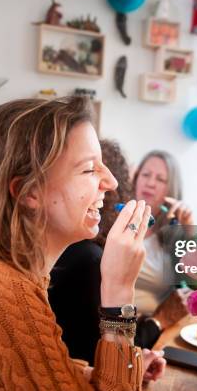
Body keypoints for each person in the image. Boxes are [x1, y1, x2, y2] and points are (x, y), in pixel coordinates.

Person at [0, 97, 166, 390]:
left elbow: (43, 367)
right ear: (29, 192)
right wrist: (119, 293)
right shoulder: (1, 296)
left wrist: (109, 370)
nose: (112, 182)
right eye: (89, 169)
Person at [49, 139, 134, 363]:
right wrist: (121, 287)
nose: (112, 182)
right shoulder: (91, 259)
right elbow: (107, 365)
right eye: (89, 170)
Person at [132, 151, 196, 347]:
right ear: (135, 178)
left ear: (171, 189)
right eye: (145, 175)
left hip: (152, 332)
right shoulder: (114, 218)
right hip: (111, 324)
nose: (150, 183)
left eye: (160, 179)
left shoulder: (174, 234)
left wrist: (190, 232)